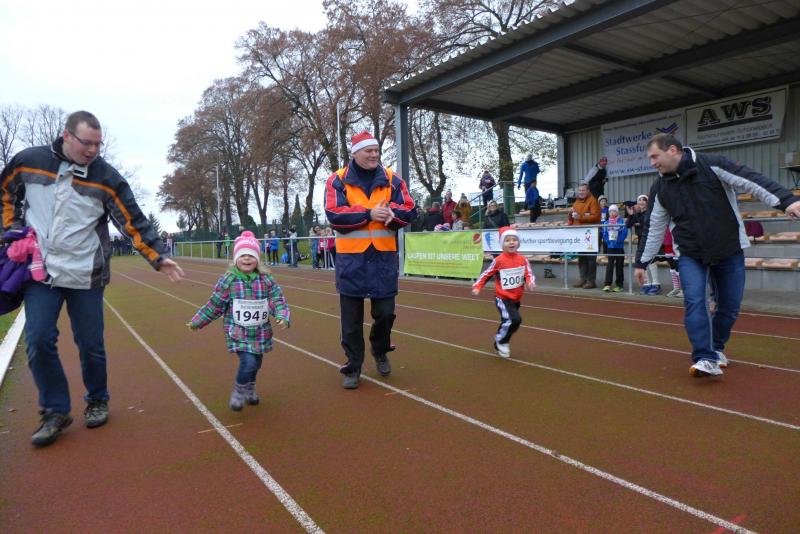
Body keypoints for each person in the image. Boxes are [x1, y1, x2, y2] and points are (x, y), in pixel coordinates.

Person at [0, 110, 184, 447]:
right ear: (67, 136)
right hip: (41, 271)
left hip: (86, 273)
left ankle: (97, 399)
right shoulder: (28, 162)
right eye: (87, 143)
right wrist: (11, 230)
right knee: (38, 340)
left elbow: (132, 220)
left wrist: (157, 256)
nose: (93, 150)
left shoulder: (106, 178)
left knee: (90, 344)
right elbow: (5, 194)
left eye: (98, 144)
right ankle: (55, 411)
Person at [635, 133, 800, 378]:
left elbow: (751, 181)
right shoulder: (660, 187)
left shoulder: (712, 164)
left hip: (728, 249)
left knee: (729, 307)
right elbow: (654, 226)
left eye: (654, 156)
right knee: (695, 301)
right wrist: (641, 261)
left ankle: (716, 346)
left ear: (672, 150)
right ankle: (705, 357)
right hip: (691, 253)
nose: (652, 163)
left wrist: (786, 201)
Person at [324, 131, 416, 389]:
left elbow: (410, 208)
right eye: (369, 151)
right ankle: (353, 367)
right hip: (351, 261)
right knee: (351, 322)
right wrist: (369, 214)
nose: (374, 154)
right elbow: (334, 214)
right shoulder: (337, 180)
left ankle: (380, 349)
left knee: (385, 314)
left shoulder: (392, 179)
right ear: (355, 153)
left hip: (383, 259)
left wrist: (393, 215)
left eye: (376, 150)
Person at [188, 231, 289, 410]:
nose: (247, 258)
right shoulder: (228, 281)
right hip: (238, 332)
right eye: (243, 255)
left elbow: (276, 300)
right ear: (236, 259)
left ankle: (250, 387)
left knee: (256, 364)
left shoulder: (266, 280)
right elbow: (215, 305)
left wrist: (282, 315)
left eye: (251, 255)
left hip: (261, 332)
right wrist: (198, 321)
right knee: (248, 362)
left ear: (257, 259)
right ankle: (239, 390)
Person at [471, 226, 536, 358]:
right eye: (507, 240)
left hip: (516, 298)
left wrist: (530, 282)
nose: (511, 243)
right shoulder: (498, 260)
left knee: (510, 321)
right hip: (503, 298)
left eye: (514, 240)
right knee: (514, 319)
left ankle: (499, 341)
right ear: (502, 244)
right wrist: (477, 286)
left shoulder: (523, 259)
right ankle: (501, 341)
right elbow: (486, 274)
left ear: (518, 242)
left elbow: (528, 273)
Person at [568, 183, 601, 289]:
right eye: (580, 190)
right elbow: (573, 217)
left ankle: (591, 281)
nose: (581, 192)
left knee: (591, 258)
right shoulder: (576, 202)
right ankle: (583, 279)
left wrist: (580, 217)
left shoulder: (593, 201)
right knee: (581, 257)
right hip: (579, 233)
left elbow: (595, 216)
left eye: (583, 190)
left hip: (591, 233)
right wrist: (570, 215)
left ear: (588, 191)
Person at [601, 204, 627, 292]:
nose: (612, 213)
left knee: (620, 266)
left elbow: (624, 232)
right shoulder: (606, 223)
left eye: (614, 211)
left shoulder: (621, 221)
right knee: (610, 265)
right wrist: (608, 241)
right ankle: (607, 284)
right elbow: (604, 234)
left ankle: (619, 285)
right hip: (610, 247)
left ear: (617, 212)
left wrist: (619, 241)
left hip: (619, 247)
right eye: (610, 211)